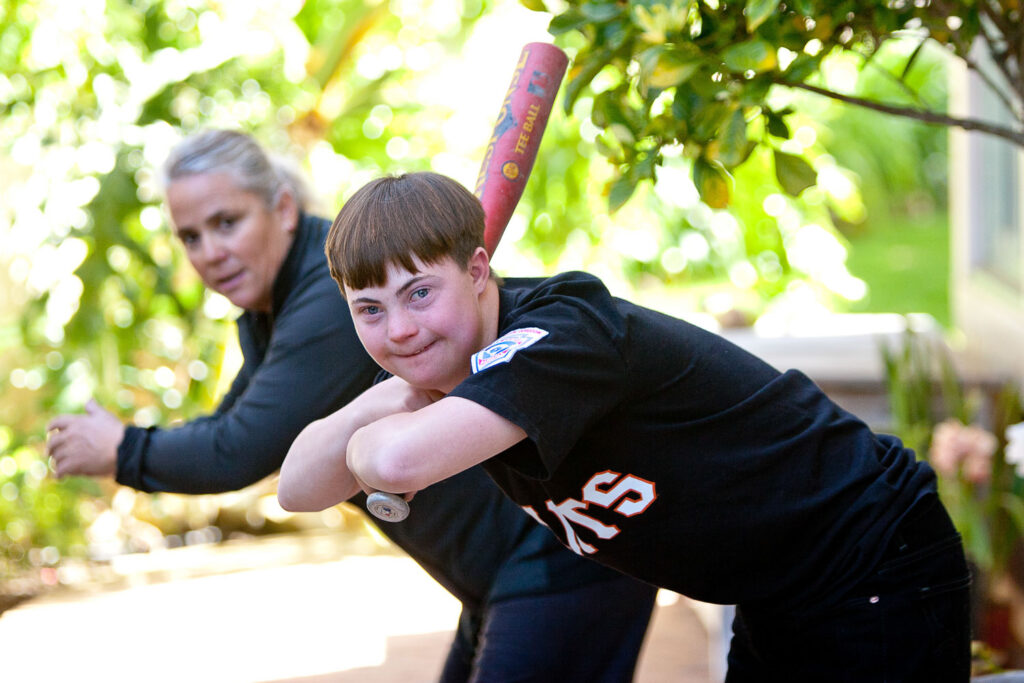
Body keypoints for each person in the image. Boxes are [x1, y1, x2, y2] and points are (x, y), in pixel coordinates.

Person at [278, 170, 973, 682]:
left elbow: (396, 465)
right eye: (369, 309)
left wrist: (378, 425)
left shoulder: (562, 337)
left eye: (419, 293)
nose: (399, 327)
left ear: (479, 269)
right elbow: (299, 485)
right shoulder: (443, 364)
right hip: (778, 585)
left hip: (870, 554)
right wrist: (395, 391)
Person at [46, 132, 657, 682]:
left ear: (283, 208)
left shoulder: (331, 296)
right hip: (506, 575)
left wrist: (125, 450)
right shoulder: (276, 309)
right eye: (191, 236)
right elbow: (240, 430)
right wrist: (130, 449)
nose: (209, 251)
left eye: (226, 222)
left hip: (558, 560)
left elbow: (240, 449)